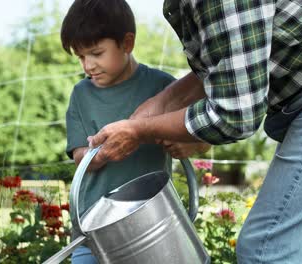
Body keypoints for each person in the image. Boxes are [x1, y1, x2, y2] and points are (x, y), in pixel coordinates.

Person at [88, 0, 302, 263]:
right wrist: (160, 106)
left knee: (269, 252)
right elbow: (235, 60)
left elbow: (235, 115)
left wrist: (141, 130)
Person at [60, 1, 209, 263]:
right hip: (92, 228)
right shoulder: (81, 95)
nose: (88, 66)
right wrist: (101, 154)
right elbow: (79, 156)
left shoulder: (163, 87)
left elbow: (204, 135)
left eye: (96, 53)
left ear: (127, 43)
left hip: (149, 220)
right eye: (81, 57)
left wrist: (193, 145)